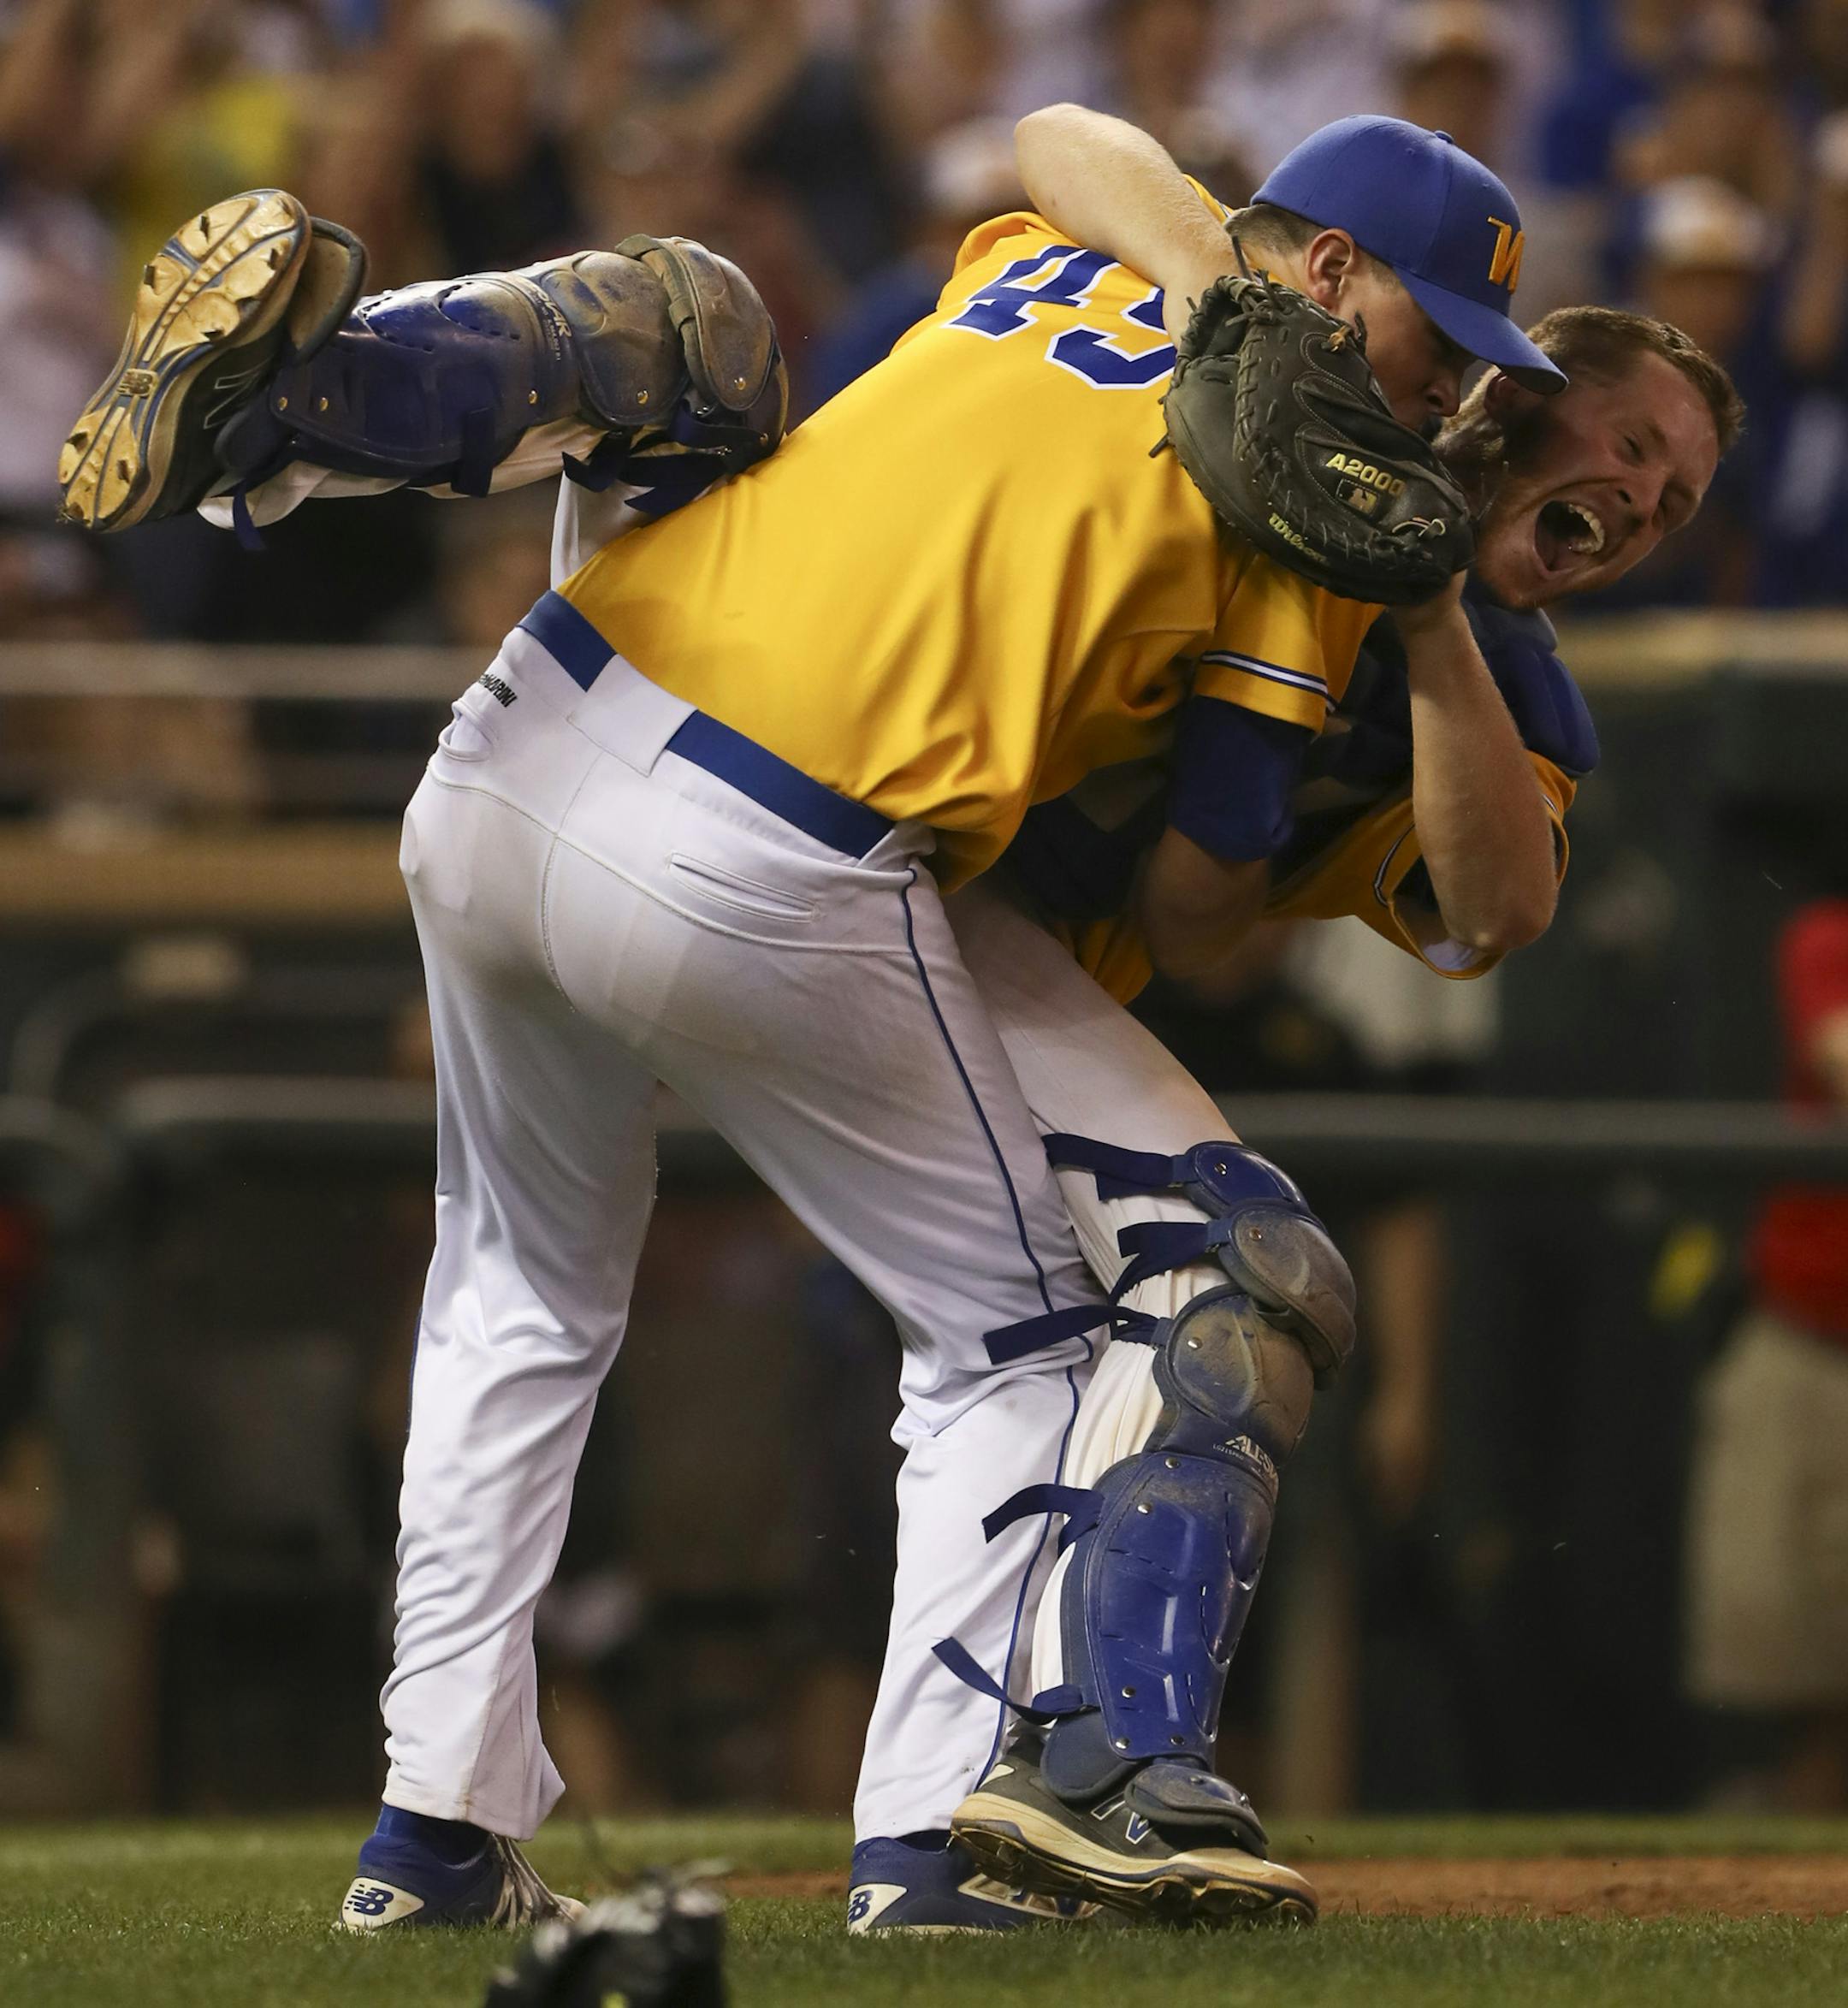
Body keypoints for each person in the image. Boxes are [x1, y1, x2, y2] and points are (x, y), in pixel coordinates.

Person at [64, 118, 1566, 1934]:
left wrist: (1205, 290)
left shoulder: (1042, 270)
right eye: (1436, 340)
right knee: (1022, 1344)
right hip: (771, 845)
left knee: (514, 1289)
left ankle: (433, 1835)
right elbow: (1204, 909)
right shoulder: (1302, 493)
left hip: (519, 738)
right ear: (1329, 271)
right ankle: (927, 1849)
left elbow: (1062, 135)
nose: (1436, 395)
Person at [931, 104, 1741, 1920]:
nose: (1644, 499)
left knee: (1099, 1343)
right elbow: (1055, 133)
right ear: (1505, 393)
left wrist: (1428, 609)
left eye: (1677, 498)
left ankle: (1000, 1809)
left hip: (1007, 949)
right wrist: (1239, 303)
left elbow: (1496, 899)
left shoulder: (1500, 667)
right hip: (861, 805)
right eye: (1626, 441)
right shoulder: (1279, 374)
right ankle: (1081, 1767)